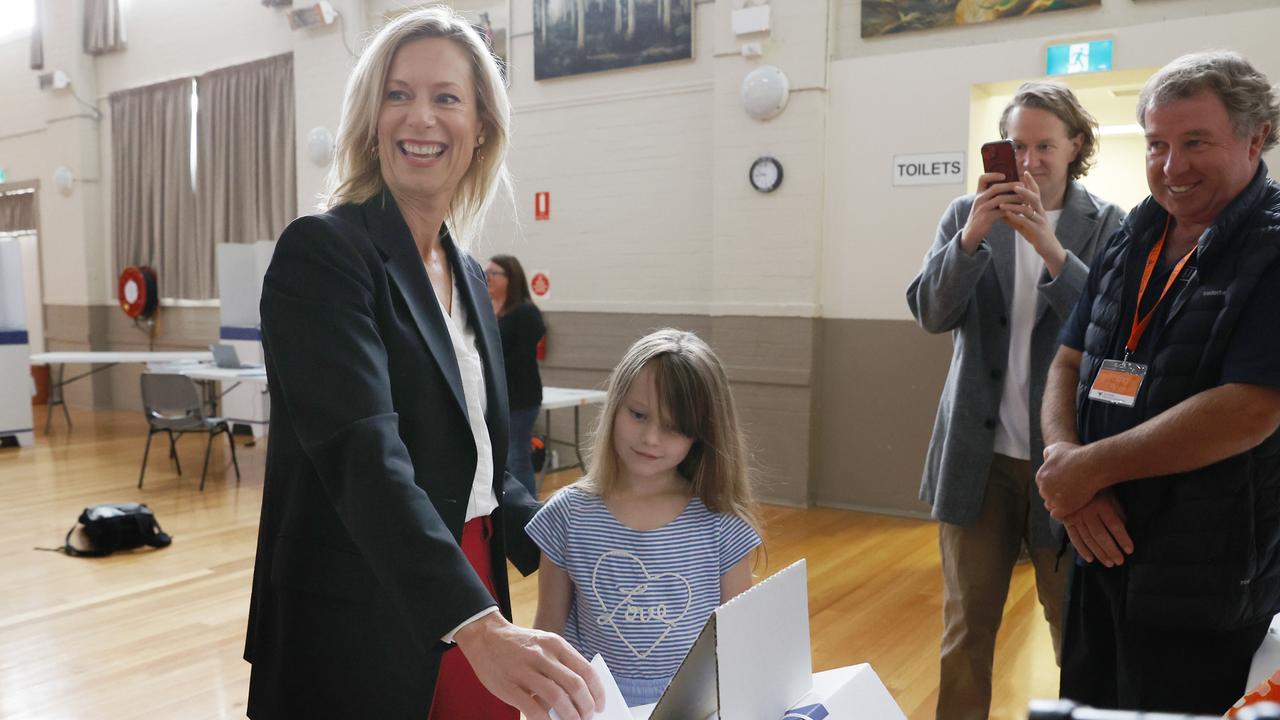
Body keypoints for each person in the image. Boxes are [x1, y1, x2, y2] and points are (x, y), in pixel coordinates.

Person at [242, 7, 603, 720]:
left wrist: (581, 534)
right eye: (398, 94)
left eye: (446, 98)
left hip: (469, 571)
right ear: (371, 120)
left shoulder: (469, 276)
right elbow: (363, 456)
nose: (421, 118)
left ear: (481, 131)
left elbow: (482, 462)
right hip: (360, 602)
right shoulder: (324, 252)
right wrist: (478, 624)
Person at [1037, 50, 1280, 713]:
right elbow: (1067, 362)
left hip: (1203, 582)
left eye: (1195, 142)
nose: (1172, 166)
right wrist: (1069, 473)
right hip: (1097, 553)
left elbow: (1250, 408)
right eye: (1157, 144)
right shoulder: (1131, 235)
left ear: (1255, 135)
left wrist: (1086, 470)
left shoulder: (1272, 246)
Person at [906, 82, 1124, 719]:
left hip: (1068, 462)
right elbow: (930, 312)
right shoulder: (964, 215)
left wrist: (1049, 248)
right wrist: (971, 237)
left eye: (1045, 145)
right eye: (1017, 145)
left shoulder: (1110, 223)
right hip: (977, 458)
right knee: (966, 630)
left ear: (1075, 145)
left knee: (1073, 626)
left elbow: (1111, 329)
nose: (1029, 161)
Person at [525, 329, 762, 707]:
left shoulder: (722, 525)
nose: (651, 438)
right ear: (615, 406)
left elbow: (740, 641)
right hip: (591, 703)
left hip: (694, 703)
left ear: (701, 434)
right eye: (638, 415)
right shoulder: (567, 514)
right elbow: (550, 633)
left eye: (673, 427)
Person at [487, 254, 546, 496]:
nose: (487, 277)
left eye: (494, 273)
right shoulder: (486, 307)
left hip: (520, 397)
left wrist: (487, 369)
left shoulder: (525, 313)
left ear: (510, 279)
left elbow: (520, 358)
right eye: (485, 272)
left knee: (517, 455)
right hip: (495, 396)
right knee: (498, 457)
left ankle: (527, 511)